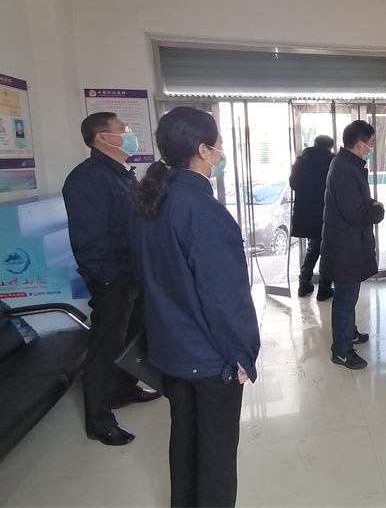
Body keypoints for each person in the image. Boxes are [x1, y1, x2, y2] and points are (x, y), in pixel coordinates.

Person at [132, 106, 260, 508]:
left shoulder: (152, 199)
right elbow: (225, 298)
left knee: (185, 442)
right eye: (218, 142)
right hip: (209, 359)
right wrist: (242, 354)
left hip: (170, 350)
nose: (221, 149)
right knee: (216, 453)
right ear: (203, 150)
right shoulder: (203, 210)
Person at [62, 112, 160, 446]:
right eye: (122, 129)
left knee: (132, 337)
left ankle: (123, 390)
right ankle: (100, 421)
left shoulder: (121, 174)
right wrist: (107, 278)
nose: (129, 134)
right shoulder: (86, 179)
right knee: (106, 346)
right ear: (102, 137)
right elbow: (88, 238)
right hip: (112, 277)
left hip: (132, 271)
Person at [320, 120, 384, 370]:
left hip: (347, 242)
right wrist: (377, 211)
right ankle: (342, 350)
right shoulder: (346, 169)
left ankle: (350, 333)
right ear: (359, 144)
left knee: (350, 296)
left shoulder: (347, 164)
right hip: (345, 245)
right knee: (345, 298)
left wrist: (369, 203)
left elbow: (355, 202)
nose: (372, 147)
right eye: (371, 143)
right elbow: (354, 212)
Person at [289, 135, 335, 300]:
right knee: (328, 250)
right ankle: (324, 287)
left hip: (306, 212)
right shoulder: (333, 161)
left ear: (314, 144)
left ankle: (304, 282)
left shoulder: (300, 161)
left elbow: (293, 184)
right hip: (327, 211)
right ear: (330, 147)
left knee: (312, 248)